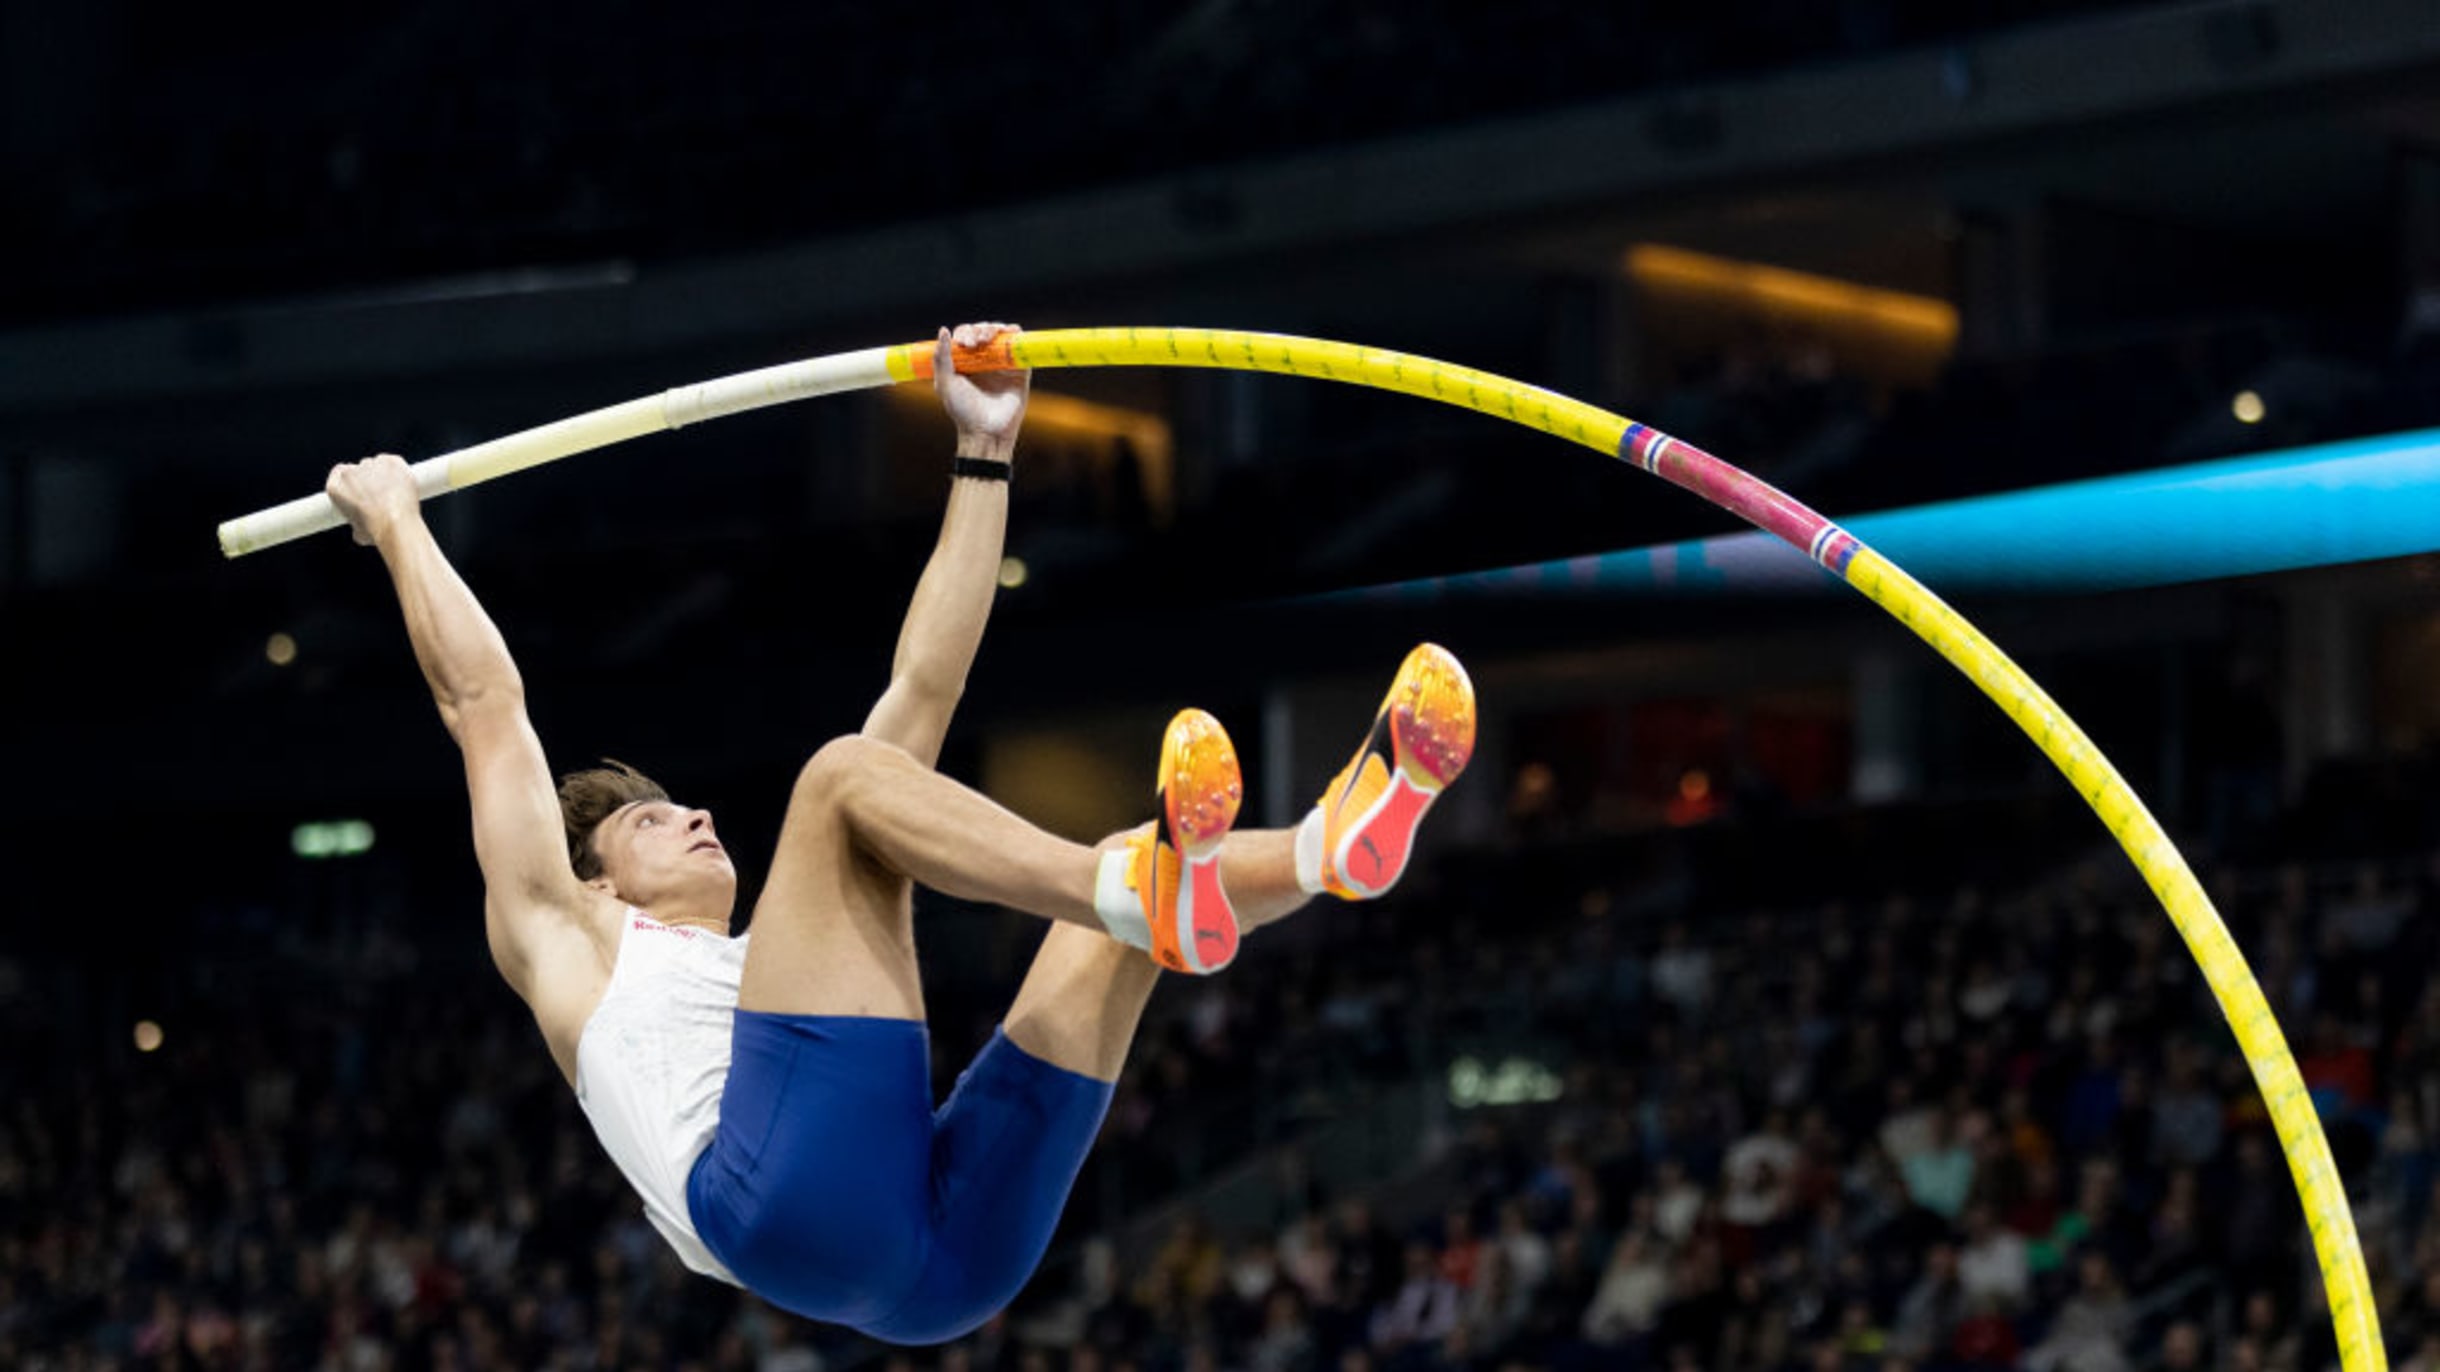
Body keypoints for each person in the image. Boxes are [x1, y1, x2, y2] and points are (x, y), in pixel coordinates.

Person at [322, 322, 1477, 1346]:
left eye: (679, 801)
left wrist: (982, 452)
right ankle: (1129, 886)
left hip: (937, 1269)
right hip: (779, 1205)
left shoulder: (787, 964)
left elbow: (926, 680)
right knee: (840, 784)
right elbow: (484, 705)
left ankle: (1331, 845)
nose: (695, 812)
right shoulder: (566, 941)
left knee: (1067, 868)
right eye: (648, 819)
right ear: (595, 878)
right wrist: (399, 524)